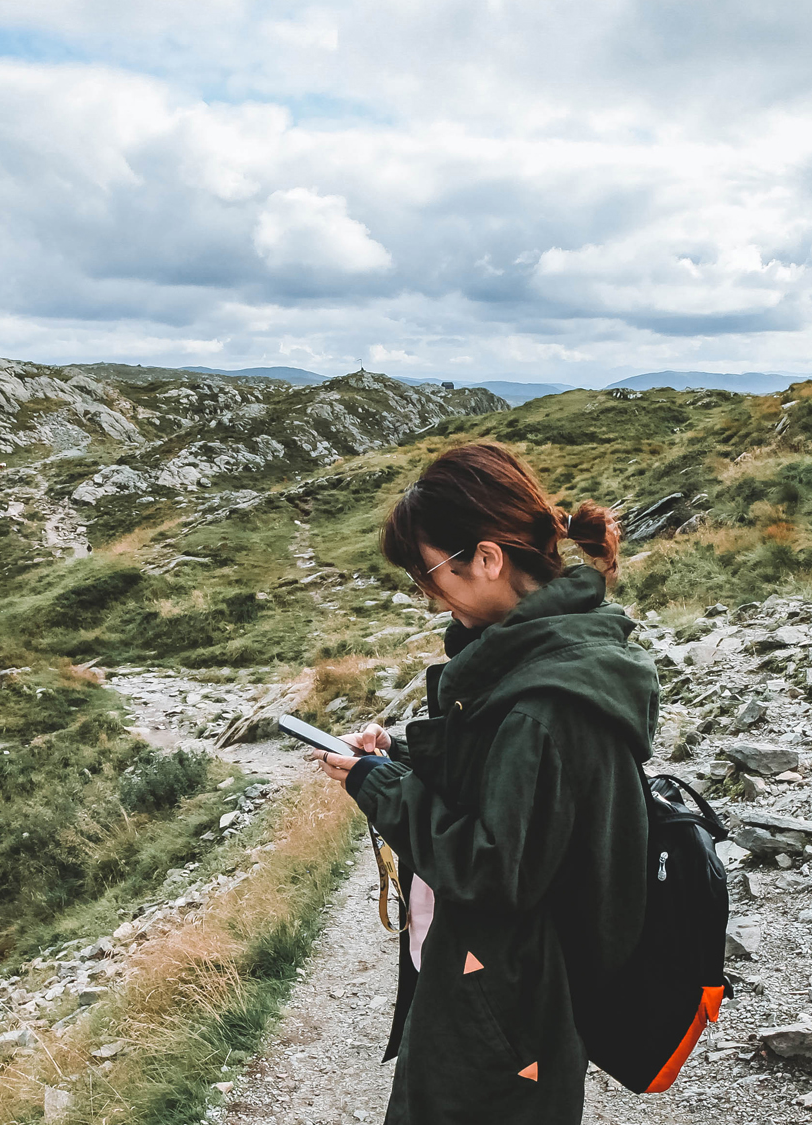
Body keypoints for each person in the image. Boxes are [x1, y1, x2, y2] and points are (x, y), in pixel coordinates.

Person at [308, 442, 657, 1124]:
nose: (426, 592)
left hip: (503, 1000)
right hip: (496, 984)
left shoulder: (543, 699)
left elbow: (495, 866)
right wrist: (400, 756)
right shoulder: (541, 655)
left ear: (489, 559)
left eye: (428, 571)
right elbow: (514, 786)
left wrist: (381, 789)